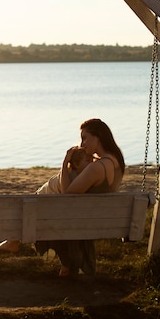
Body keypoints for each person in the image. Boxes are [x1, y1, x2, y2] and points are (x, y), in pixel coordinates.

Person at [36, 118, 125, 277]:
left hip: (86, 219)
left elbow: (67, 194)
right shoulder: (115, 160)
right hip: (98, 215)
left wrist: (65, 163)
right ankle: (69, 265)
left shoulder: (97, 168)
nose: (82, 143)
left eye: (85, 138)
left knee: (43, 209)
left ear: (97, 137)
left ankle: (65, 261)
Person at [0, 147, 92, 253]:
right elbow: (66, 196)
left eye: (91, 160)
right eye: (87, 160)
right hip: (41, 199)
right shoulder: (71, 175)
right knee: (29, 212)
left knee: (27, 211)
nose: (91, 163)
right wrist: (65, 163)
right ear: (76, 165)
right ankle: (12, 242)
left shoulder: (79, 175)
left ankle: (12, 242)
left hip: (43, 199)